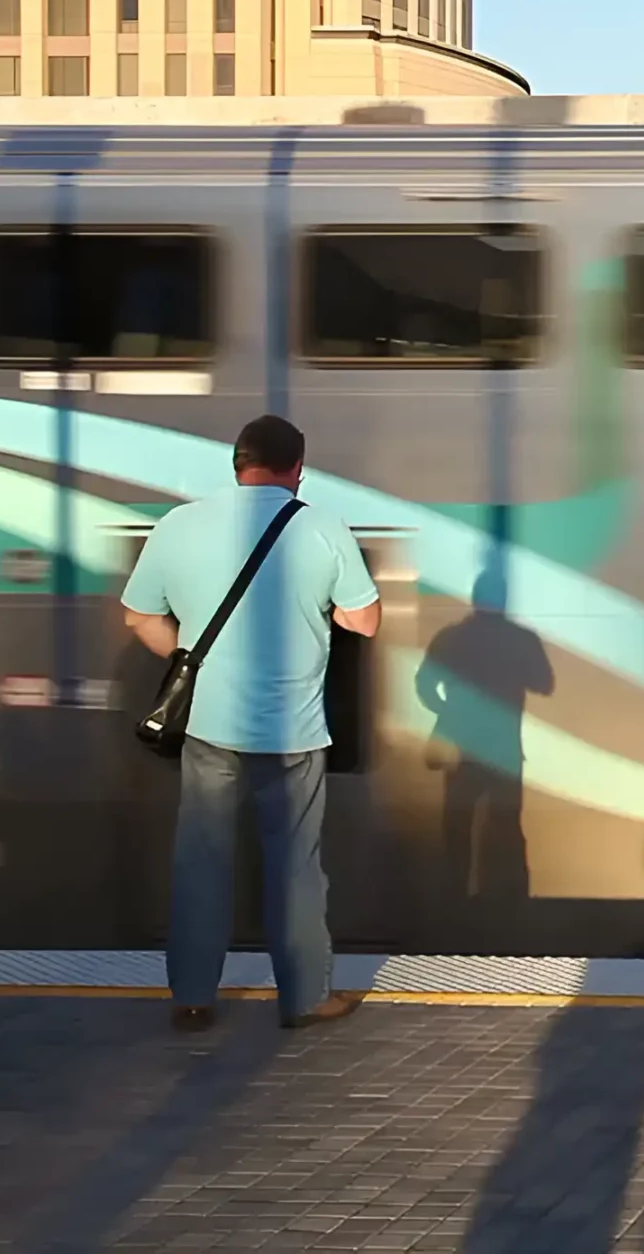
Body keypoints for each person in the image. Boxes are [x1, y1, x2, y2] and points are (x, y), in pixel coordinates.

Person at [120, 414, 381, 1033]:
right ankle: (304, 999)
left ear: (236, 464)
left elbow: (138, 617)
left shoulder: (179, 524)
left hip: (209, 728)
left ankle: (191, 997)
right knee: (294, 867)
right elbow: (363, 621)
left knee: (202, 861)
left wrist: (191, 659)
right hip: (293, 733)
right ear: (298, 468)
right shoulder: (320, 525)